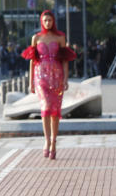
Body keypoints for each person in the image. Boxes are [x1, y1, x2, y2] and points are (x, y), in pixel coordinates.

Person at [22, 11, 76, 159]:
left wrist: (65, 79)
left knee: (55, 110)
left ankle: (54, 141)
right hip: (41, 77)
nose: (47, 23)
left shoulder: (60, 37)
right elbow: (33, 61)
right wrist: (31, 82)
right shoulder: (36, 38)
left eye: (50, 20)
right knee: (45, 107)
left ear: (53, 21)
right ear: (41, 21)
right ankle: (46, 140)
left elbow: (65, 60)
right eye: (45, 20)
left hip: (56, 76)